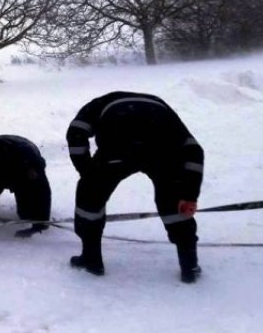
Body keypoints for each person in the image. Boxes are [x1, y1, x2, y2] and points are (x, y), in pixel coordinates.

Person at [66, 91, 204, 283]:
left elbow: (76, 131)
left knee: (90, 198)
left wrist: (87, 173)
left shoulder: (99, 104)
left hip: (117, 145)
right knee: (172, 201)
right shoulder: (162, 107)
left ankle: (91, 259)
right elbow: (195, 151)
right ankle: (189, 265)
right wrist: (188, 196)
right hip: (161, 149)